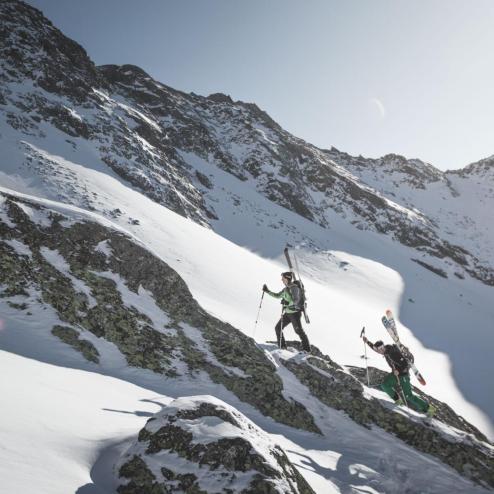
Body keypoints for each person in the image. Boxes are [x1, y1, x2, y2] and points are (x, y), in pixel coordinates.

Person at [363, 337, 436, 417]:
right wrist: (367, 341)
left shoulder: (392, 353)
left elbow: (405, 364)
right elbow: (374, 348)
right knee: (385, 385)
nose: (379, 351)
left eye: (380, 348)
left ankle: (428, 408)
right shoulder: (384, 351)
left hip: (403, 375)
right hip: (395, 374)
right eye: (378, 349)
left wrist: (398, 370)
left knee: (408, 396)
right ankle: (398, 400)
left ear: (383, 347)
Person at [263, 272, 311, 352]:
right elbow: (277, 295)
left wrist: (287, 303)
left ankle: (307, 350)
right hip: (288, 313)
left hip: (295, 313)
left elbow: (296, 300)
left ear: (287, 278)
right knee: (278, 328)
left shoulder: (294, 288)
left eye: (283, 278)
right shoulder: (285, 289)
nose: (281, 280)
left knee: (299, 331)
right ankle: (282, 347)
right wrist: (267, 291)